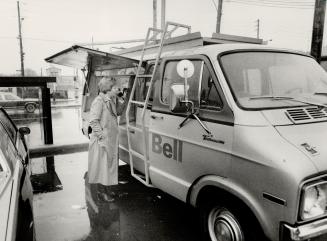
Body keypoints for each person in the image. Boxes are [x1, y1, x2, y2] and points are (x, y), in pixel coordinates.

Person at [87, 76, 127, 202]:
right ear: (108, 89)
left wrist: (122, 100)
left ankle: (107, 191)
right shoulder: (99, 101)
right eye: (115, 87)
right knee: (102, 167)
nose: (118, 89)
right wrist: (102, 136)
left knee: (109, 166)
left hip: (110, 139)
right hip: (102, 141)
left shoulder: (111, 100)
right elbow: (93, 121)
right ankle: (101, 193)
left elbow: (119, 113)